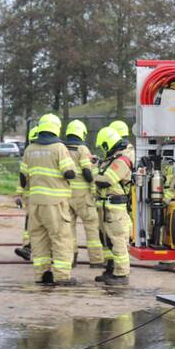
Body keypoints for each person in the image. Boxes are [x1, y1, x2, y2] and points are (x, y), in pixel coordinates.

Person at [20, 114, 77, 286]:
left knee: (38, 239)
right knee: (61, 239)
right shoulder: (59, 148)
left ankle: (41, 274)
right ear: (56, 128)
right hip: (55, 203)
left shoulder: (29, 149)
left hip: (35, 203)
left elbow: (23, 178)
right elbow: (69, 172)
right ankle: (62, 277)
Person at [94, 126, 133, 286]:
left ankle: (122, 274)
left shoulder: (121, 161)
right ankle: (111, 269)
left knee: (117, 241)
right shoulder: (112, 160)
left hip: (114, 209)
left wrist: (90, 173)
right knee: (107, 241)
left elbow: (106, 180)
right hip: (106, 208)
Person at [63, 120, 104, 268]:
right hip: (83, 197)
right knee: (92, 228)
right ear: (82, 133)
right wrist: (94, 175)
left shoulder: (62, 148)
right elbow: (87, 172)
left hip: (66, 195)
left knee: (68, 228)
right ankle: (96, 260)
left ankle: (71, 258)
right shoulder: (82, 149)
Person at [14, 126, 40, 261]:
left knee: (33, 223)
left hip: (35, 196)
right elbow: (23, 176)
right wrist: (18, 194)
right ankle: (28, 248)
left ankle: (30, 248)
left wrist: (19, 194)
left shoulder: (29, 152)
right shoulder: (54, 149)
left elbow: (22, 176)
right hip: (38, 197)